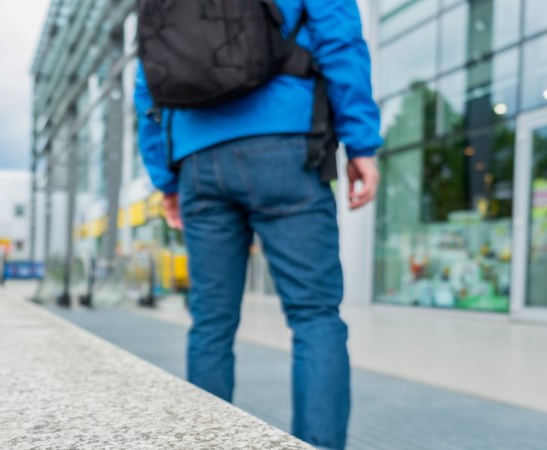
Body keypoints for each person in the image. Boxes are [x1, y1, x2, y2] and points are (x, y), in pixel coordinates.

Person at [134, 1, 381, 449]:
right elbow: (339, 40)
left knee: (210, 321)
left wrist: (165, 177)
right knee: (314, 317)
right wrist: (360, 142)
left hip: (197, 157)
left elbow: (148, 77)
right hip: (284, 143)